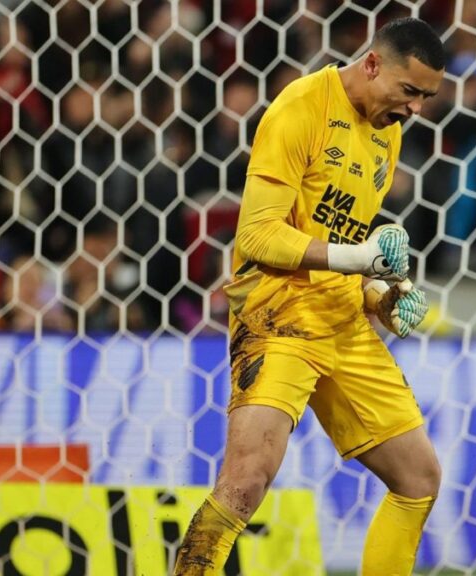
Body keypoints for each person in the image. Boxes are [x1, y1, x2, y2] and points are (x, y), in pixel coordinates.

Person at [173, 17, 445, 576]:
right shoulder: (299, 108)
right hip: (278, 315)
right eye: (410, 91)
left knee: (418, 479)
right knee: (246, 481)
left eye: (427, 97)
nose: (416, 108)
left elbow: (344, 243)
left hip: (341, 318)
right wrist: (362, 259)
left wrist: (383, 297)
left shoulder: (386, 128)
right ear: (372, 63)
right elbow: (257, 234)